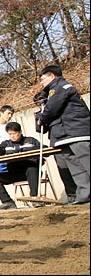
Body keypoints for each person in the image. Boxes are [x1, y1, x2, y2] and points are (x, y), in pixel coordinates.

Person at [37, 64, 90, 205]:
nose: (41, 83)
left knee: (86, 162)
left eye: (43, 79)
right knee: (76, 167)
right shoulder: (52, 92)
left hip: (76, 131)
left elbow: (52, 109)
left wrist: (42, 117)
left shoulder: (61, 87)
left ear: (52, 76)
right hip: (63, 135)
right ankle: (84, 195)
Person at [0, 122, 45, 210]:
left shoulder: (30, 141)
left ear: (20, 132)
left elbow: (45, 149)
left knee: (32, 169)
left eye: (14, 133)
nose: (12, 136)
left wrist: (33, 149)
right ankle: (8, 202)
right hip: (14, 173)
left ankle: (35, 199)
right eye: (10, 134)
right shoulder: (7, 144)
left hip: (31, 172)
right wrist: (1, 148)